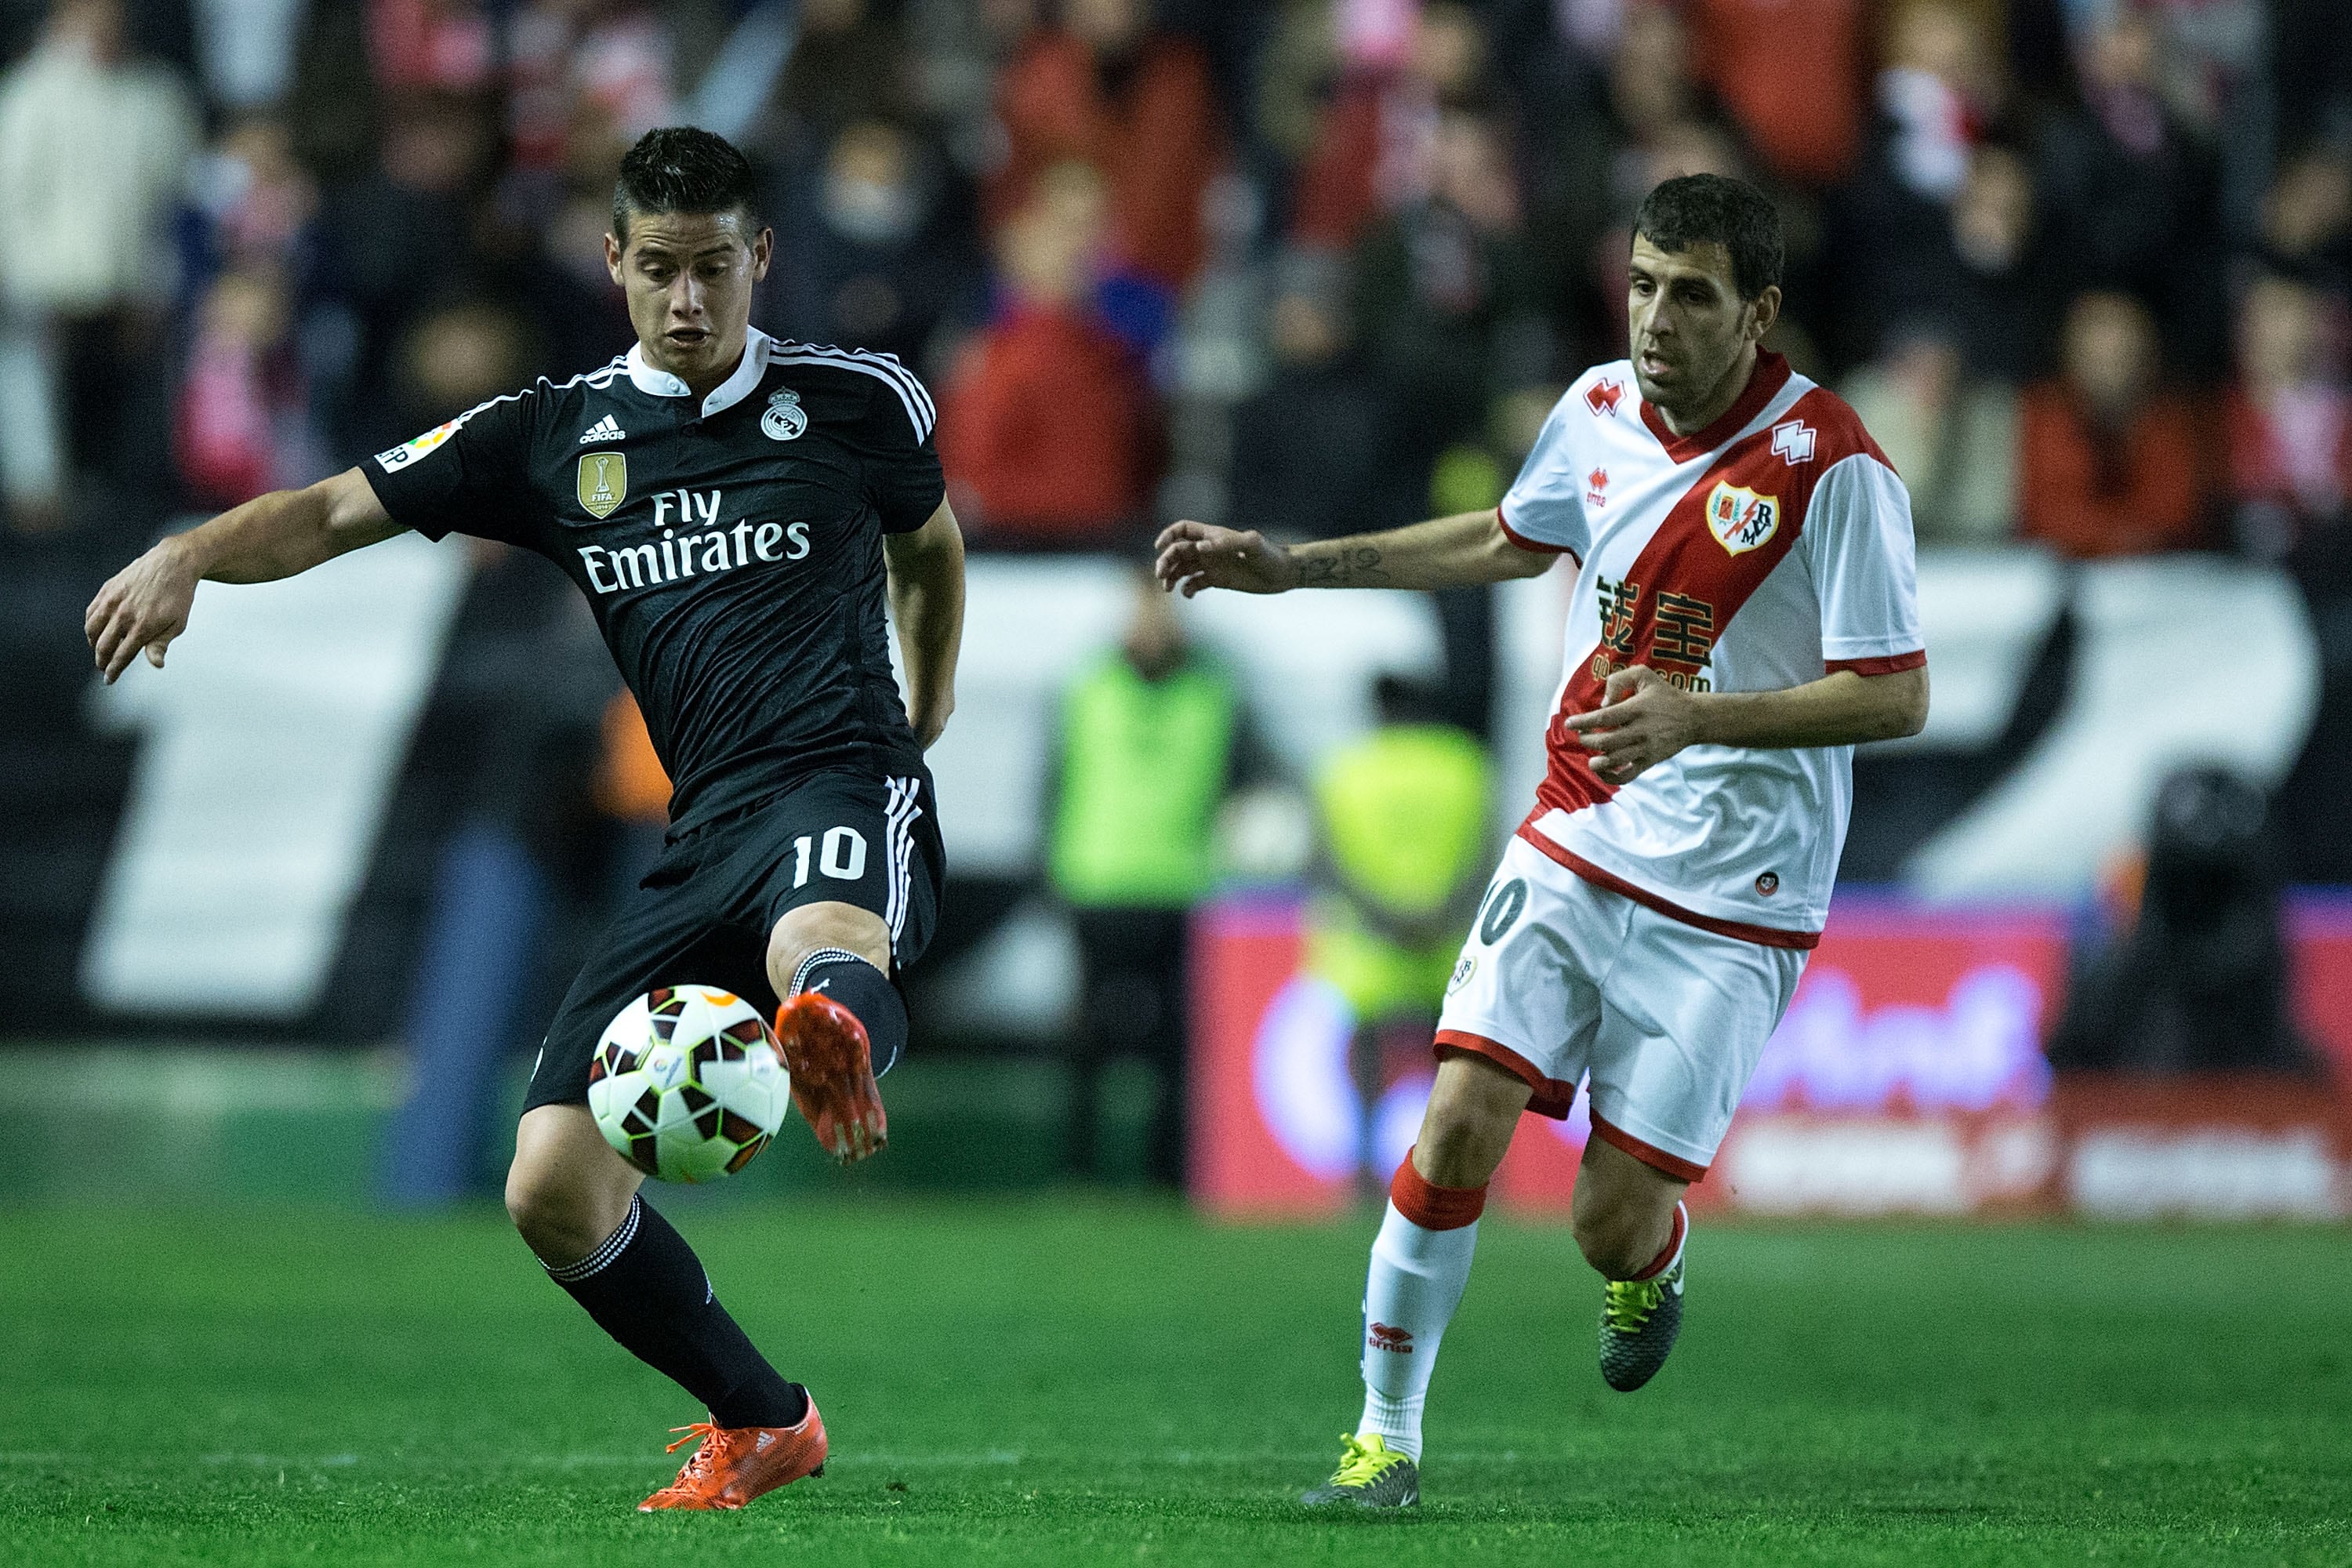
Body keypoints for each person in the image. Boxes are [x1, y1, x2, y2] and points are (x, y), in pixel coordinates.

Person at [83, 126, 967, 1514]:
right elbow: (328, 509)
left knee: (824, 936)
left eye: (717, 269)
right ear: (614, 261)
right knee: (548, 1184)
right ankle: (766, 1420)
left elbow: (928, 542)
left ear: (762, 263)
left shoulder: (859, 401)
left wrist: (932, 698)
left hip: (839, 774)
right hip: (697, 832)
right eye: (661, 269)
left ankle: (834, 1028)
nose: (690, 300)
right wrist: (191, 550)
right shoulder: (550, 436)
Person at [1158, 173, 1928, 1508]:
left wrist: (1702, 717)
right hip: (1578, 833)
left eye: (1692, 294)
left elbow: (1898, 693)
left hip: (1740, 896)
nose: (1656, 319)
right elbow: (1505, 542)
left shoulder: (1835, 465)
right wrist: (1289, 566)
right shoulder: (1592, 414)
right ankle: (1383, 1439)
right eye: (1641, 285)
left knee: (1604, 1223)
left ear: (1760, 311)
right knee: (1459, 1115)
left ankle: (1654, 1260)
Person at [1046, 564, 1243, 1186]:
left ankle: (1168, 1179)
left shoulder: (1214, 694)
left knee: (1176, 1049)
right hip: (1096, 884)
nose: (1153, 622)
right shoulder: (1087, 687)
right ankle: (1079, 1174)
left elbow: (1252, 782)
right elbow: (1051, 787)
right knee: (1085, 1045)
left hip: (1180, 889)